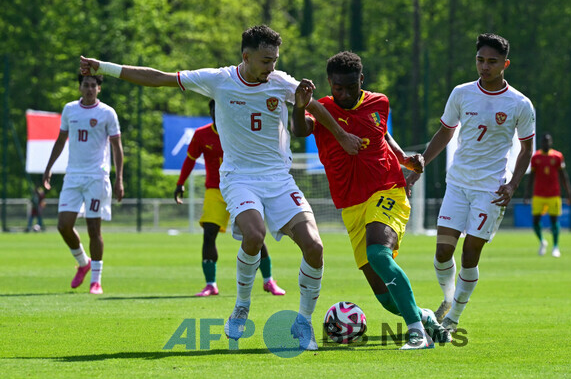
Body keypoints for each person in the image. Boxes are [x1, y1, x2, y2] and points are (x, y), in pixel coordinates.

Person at [80, 25, 362, 350]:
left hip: (279, 178)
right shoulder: (219, 80)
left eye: (275, 60)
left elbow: (316, 110)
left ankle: (302, 323)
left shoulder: (281, 82)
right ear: (246, 56)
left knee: (315, 246)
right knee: (254, 236)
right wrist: (106, 68)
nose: (271, 67)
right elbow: (159, 77)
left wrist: (340, 134)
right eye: (266, 61)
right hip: (239, 177)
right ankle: (242, 306)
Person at [291, 51, 449, 350]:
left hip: (387, 189)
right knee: (387, 299)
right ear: (330, 84)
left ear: (361, 79)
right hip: (351, 206)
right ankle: (425, 317)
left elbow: (383, 135)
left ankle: (417, 334)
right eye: (338, 88)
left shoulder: (379, 102)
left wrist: (402, 159)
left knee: (379, 254)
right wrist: (299, 108)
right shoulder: (322, 108)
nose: (345, 94)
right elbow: (300, 131)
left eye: (351, 86)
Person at [406, 33, 535, 333]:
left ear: (506, 63)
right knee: (441, 253)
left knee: (469, 254)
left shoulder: (520, 103)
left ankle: (453, 319)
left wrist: (513, 184)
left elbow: (526, 148)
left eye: (492, 62)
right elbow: (445, 132)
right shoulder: (461, 93)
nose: (484, 67)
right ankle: (448, 299)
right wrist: (421, 165)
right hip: (458, 184)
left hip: (490, 190)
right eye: (480, 60)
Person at [174, 99, 286, 296]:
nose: (218, 113)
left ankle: (268, 280)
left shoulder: (241, 132)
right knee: (208, 234)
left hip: (242, 189)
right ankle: (210, 284)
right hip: (215, 192)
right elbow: (190, 159)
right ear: (210, 113)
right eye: (214, 110)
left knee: (255, 234)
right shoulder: (201, 135)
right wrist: (180, 183)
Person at [43, 74, 124, 295]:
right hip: (73, 176)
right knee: (63, 225)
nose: (89, 89)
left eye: (93, 85)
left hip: (96, 177)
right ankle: (83, 262)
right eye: (85, 85)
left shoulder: (107, 113)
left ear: (99, 89)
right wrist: (49, 167)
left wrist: (119, 179)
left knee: (93, 228)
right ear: (80, 87)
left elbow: (117, 147)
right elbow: (61, 140)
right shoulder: (70, 109)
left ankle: (96, 281)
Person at [523, 133, 571, 257]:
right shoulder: (536, 157)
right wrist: (527, 193)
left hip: (554, 194)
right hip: (538, 194)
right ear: (541, 143)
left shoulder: (557, 156)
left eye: (548, 141)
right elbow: (531, 177)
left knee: (554, 220)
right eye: (544, 141)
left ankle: (556, 247)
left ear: (551, 142)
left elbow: (563, 176)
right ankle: (542, 241)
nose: (546, 143)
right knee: (535, 221)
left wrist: (569, 193)